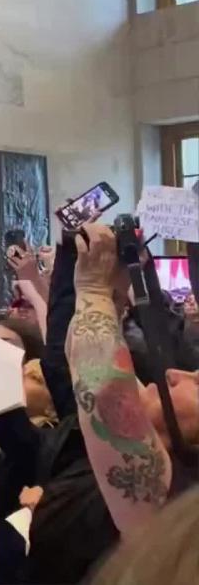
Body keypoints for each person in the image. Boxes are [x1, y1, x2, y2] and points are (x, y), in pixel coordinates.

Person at [64, 223, 199, 534]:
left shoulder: (177, 492)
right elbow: (84, 362)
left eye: (197, 384)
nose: (173, 374)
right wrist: (113, 293)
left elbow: (102, 391)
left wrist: (93, 289)